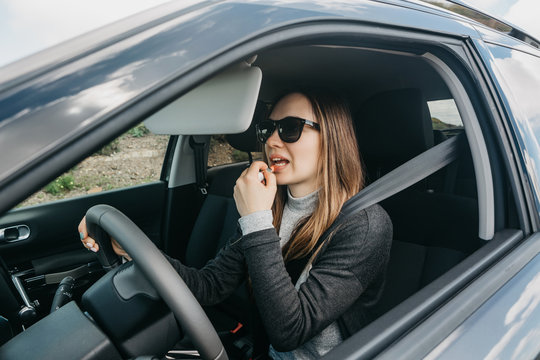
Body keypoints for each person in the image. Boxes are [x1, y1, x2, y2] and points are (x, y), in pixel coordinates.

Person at [79, 89, 392, 359]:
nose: (271, 140)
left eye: (291, 128)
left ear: (333, 138)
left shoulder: (364, 224)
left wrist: (256, 219)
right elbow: (209, 286)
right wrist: (135, 249)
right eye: (268, 129)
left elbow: (290, 331)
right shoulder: (272, 206)